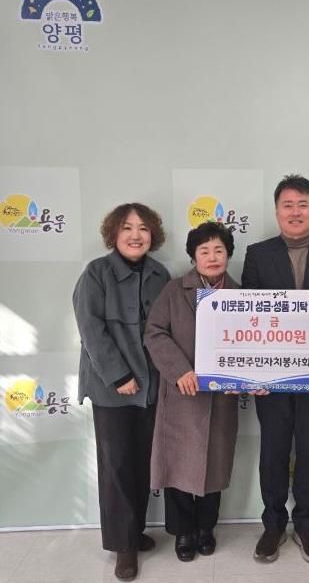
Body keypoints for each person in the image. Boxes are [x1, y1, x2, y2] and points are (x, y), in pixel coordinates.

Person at [241, 174, 309, 564]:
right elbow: (250, 314)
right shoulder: (258, 255)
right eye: (287, 205)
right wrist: (253, 372)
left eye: (302, 204)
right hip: (271, 377)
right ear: (276, 211)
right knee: (273, 449)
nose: (295, 212)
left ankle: (305, 523)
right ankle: (273, 524)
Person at [73, 203, 170, 581]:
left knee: (142, 463)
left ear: (152, 235)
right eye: (127, 227)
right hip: (112, 389)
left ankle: (135, 531)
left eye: (143, 228)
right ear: (114, 233)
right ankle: (122, 547)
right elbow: (91, 330)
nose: (135, 235)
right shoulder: (96, 273)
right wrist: (118, 376)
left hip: (151, 387)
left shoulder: (160, 274)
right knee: (116, 467)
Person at [144, 222, 239, 562]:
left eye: (219, 250)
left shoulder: (242, 295)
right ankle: (183, 530)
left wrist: (253, 378)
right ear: (194, 257)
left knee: (215, 464)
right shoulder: (174, 290)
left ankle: (206, 527)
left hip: (221, 397)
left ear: (228, 254)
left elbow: (254, 344)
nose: (212, 257)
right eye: (204, 251)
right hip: (182, 395)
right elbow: (155, 332)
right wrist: (179, 370)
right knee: (178, 464)